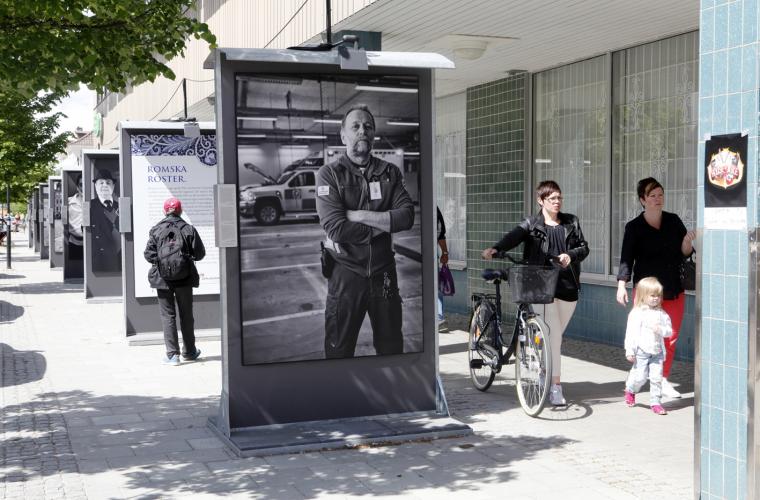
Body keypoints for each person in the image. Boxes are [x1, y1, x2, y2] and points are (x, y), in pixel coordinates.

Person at [315, 104, 415, 359]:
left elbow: (406, 217)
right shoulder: (329, 174)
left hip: (384, 275)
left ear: (373, 134)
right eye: (356, 126)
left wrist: (359, 215)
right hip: (345, 275)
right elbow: (336, 228)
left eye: (368, 126)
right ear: (343, 136)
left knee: (391, 349)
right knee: (338, 351)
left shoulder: (389, 172)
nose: (363, 131)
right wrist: (384, 224)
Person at [482, 180, 589, 406]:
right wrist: (497, 248)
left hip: (568, 285)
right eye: (552, 198)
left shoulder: (571, 222)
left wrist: (570, 254)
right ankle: (556, 387)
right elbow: (514, 235)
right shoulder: (531, 224)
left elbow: (583, 247)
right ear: (541, 201)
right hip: (540, 286)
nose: (557, 202)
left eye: (559, 197)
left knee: (552, 338)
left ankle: (543, 370)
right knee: (554, 337)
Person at [616, 177, 696, 398]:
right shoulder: (634, 227)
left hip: (672, 287)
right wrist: (621, 286)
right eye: (652, 195)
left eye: (660, 194)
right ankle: (637, 376)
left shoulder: (673, 220)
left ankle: (662, 379)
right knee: (645, 337)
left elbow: (684, 253)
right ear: (643, 200)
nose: (658, 199)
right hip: (646, 291)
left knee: (670, 336)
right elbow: (626, 259)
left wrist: (687, 243)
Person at [143, 197, 206, 366]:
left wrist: (163, 263)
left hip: (162, 280)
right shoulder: (188, 229)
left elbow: (148, 254)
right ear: (180, 211)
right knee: (186, 315)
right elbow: (200, 254)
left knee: (168, 315)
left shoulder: (156, 229)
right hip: (184, 279)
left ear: (165, 211)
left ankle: (172, 355)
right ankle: (190, 352)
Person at [624, 277, 672, 415]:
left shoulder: (662, 314)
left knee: (657, 379)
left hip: (657, 352)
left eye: (658, 295)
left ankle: (656, 402)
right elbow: (631, 333)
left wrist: (661, 329)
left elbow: (669, 331)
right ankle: (630, 389)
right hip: (641, 351)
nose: (656, 298)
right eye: (652, 295)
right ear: (643, 295)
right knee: (640, 377)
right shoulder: (637, 313)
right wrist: (629, 350)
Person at [90, 169, 121, 272]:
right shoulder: (90, 206)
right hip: (100, 258)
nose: (105, 185)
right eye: (101, 183)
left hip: (120, 257)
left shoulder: (121, 206)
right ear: (95, 186)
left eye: (108, 183)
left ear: (113, 186)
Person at [437, 206, 450, 332]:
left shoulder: (432, 208)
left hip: (430, 257)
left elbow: (440, 232)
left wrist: (445, 253)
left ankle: (439, 318)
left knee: (436, 286)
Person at [67, 173, 84, 260]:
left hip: (91, 243)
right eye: (81, 185)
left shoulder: (94, 202)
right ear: (77, 187)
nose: (83, 188)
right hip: (74, 243)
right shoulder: (69, 202)